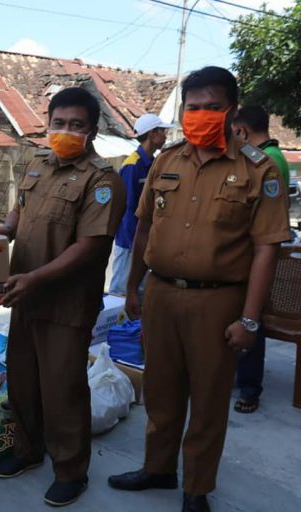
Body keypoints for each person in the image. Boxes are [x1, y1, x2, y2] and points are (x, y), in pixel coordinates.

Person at [107, 67, 290, 512]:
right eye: (193, 107)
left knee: (208, 400)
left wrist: (250, 320)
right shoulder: (166, 160)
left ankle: (196, 488)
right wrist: (132, 288)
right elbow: (144, 226)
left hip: (218, 301)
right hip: (160, 293)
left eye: (212, 107)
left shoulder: (257, 169)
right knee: (160, 391)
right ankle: (158, 469)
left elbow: (266, 249)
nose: (201, 115)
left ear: (231, 112)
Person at [0, 87, 126, 507]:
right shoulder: (37, 163)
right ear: (47, 124)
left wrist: (35, 279)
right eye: (59, 123)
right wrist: (6, 229)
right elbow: (21, 207)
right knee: (22, 380)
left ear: (93, 130)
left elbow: (90, 247)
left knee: (62, 390)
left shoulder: (102, 180)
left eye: (76, 125)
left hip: (65, 304)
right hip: (23, 296)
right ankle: (27, 450)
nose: (65, 131)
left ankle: (70, 470)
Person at [231, 105, 292, 414]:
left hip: (255, 256)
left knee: (252, 319)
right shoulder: (274, 156)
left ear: (242, 131)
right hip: (248, 257)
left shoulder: (266, 162)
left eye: (233, 133)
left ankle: (249, 388)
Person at [108, 113, 171, 296]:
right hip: (130, 241)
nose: (165, 136)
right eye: (163, 131)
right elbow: (127, 208)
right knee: (120, 293)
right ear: (153, 134)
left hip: (143, 240)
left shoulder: (153, 163)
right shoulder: (132, 165)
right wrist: (132, 243)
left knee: (139, 291)